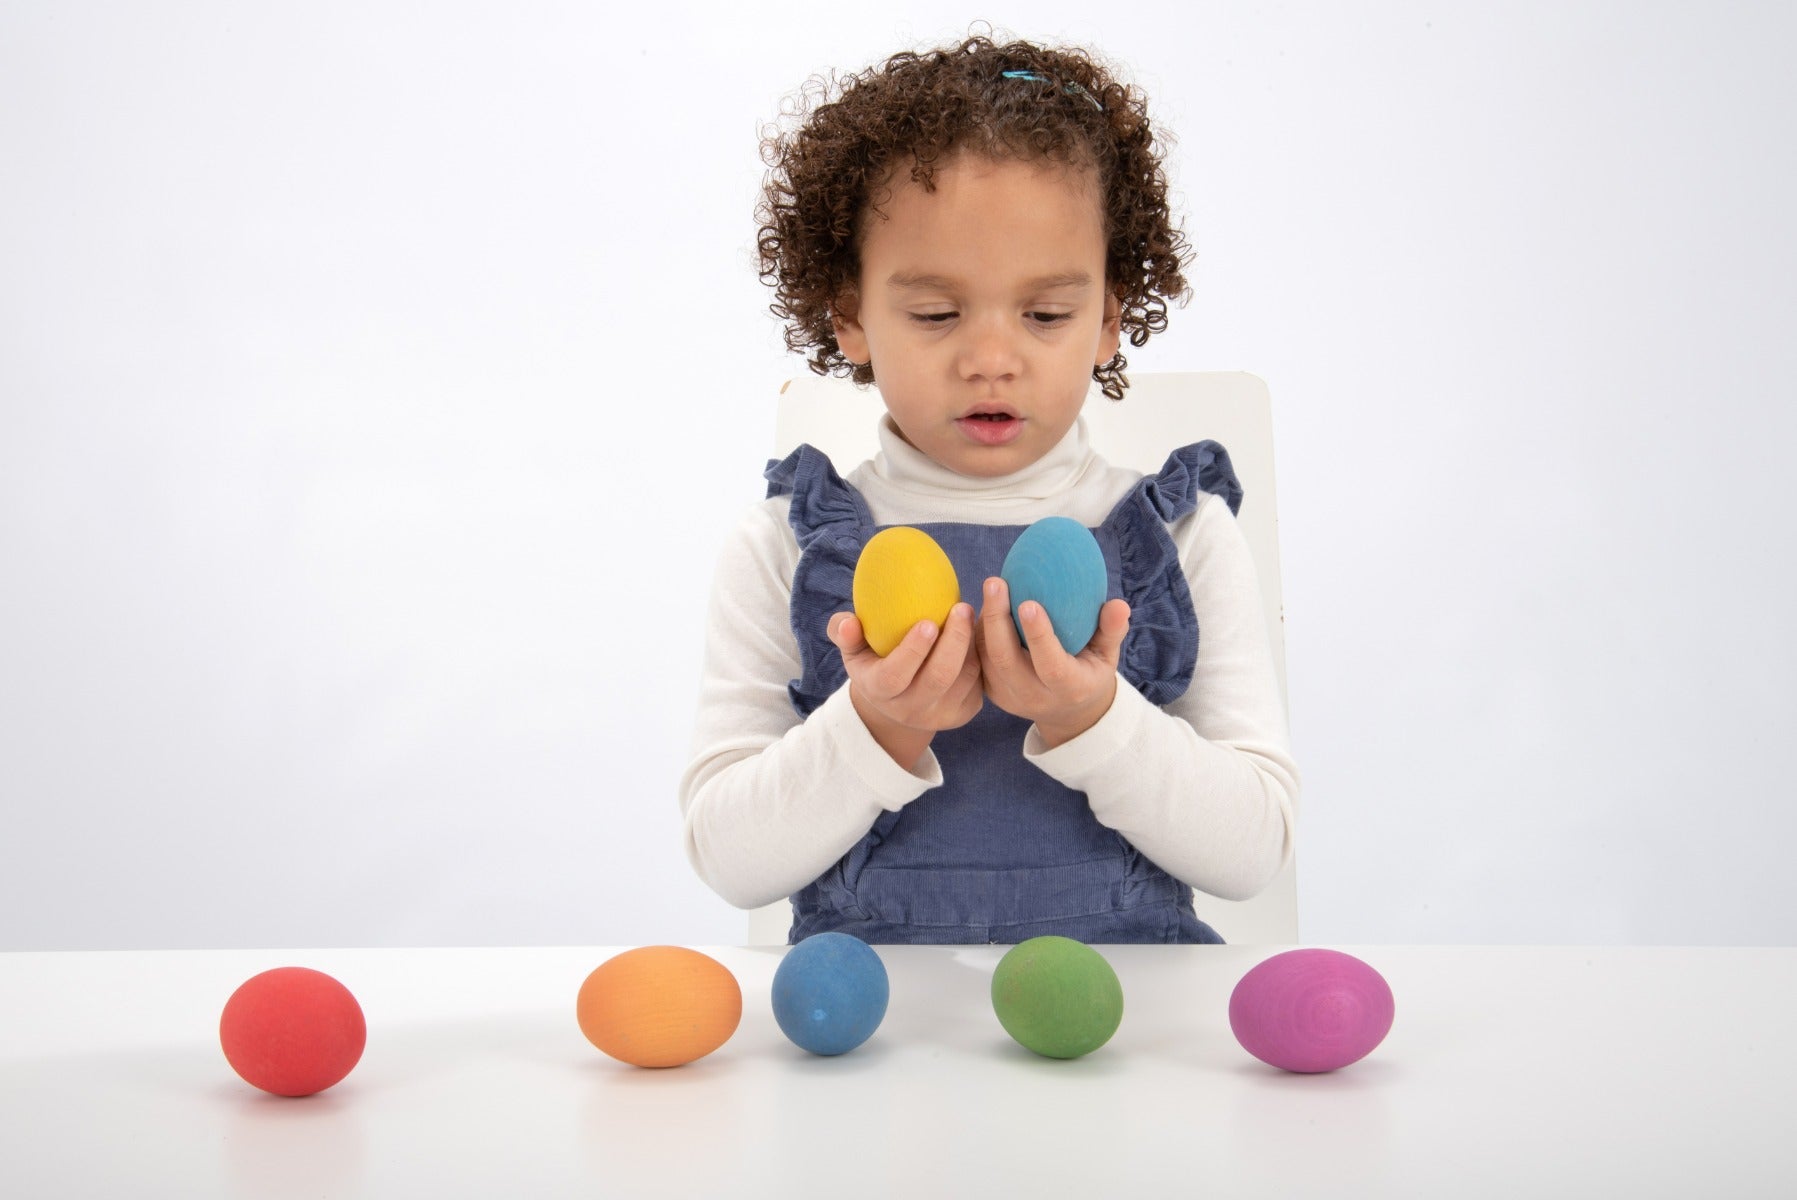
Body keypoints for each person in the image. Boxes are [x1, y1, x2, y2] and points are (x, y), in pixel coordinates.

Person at [679, 33, 1299, 944]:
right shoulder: (785, 544)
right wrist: (876, 725)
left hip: (1127, 1012)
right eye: (935, 313)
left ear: (1106, 321)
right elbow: (730, 862)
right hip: (878, 1016)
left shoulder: (1180, 536)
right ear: (850, 317)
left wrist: (1093, 717)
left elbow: (1251, 855)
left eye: (1046, 314)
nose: (991, 359)